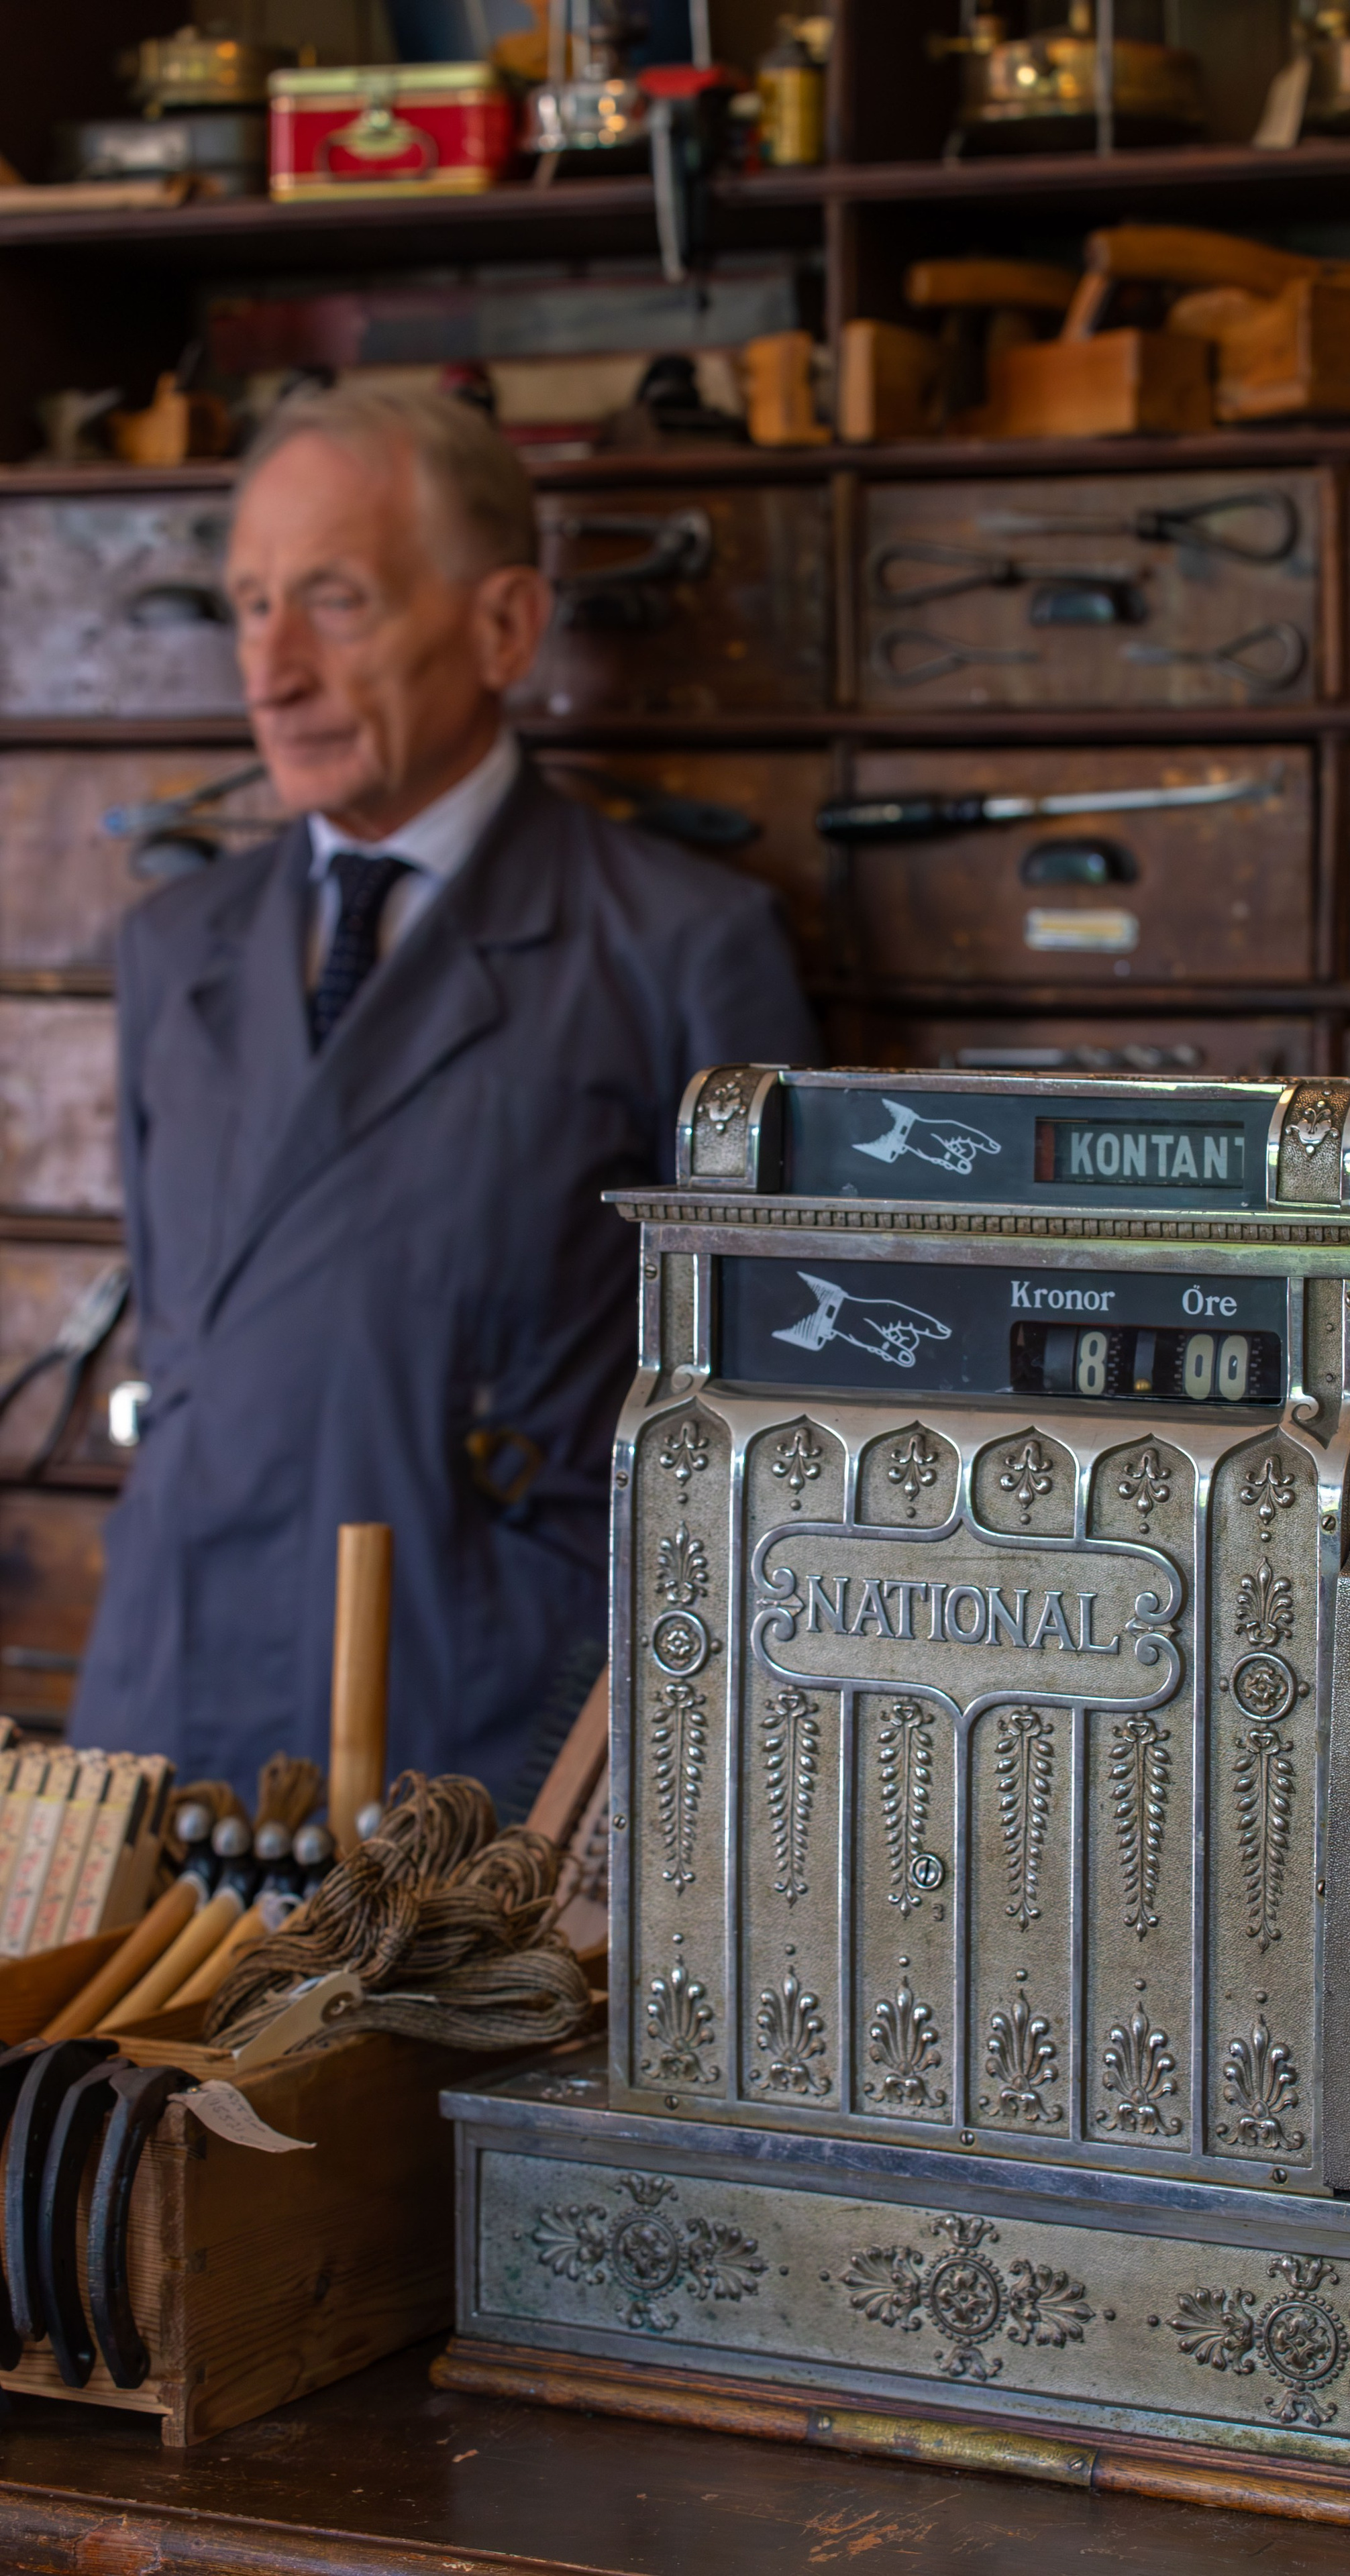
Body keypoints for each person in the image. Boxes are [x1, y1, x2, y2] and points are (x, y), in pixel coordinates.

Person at [72, 385, 818, 1803]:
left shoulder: (676, 949)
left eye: (334, 602)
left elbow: (763, 1424)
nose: (271, 671)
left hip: (476, 1741)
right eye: (249, 606)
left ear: (503, 629)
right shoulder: (174, 948)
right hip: (167, 1703)